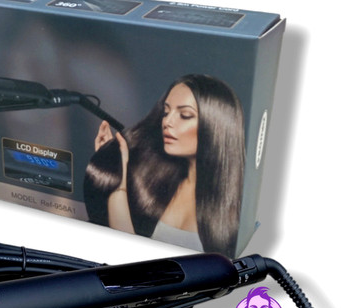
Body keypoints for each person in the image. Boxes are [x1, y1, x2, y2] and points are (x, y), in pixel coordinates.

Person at [83, 74, 245, 256]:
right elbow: (130, 256)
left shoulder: (238, 212)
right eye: (166, 112)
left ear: (217, 127)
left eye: (185, 115)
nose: (167, 122)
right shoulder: (159, 185)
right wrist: (113, 168)